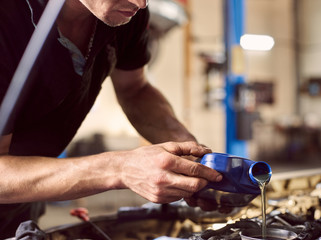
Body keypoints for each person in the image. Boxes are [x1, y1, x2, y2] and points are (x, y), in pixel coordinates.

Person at [0, 0, 223, 238]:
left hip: (27, 199)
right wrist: (119, 169)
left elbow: (134, 89)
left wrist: (191, 156)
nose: (141, 3)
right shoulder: (7, 18)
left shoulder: (124, 14)